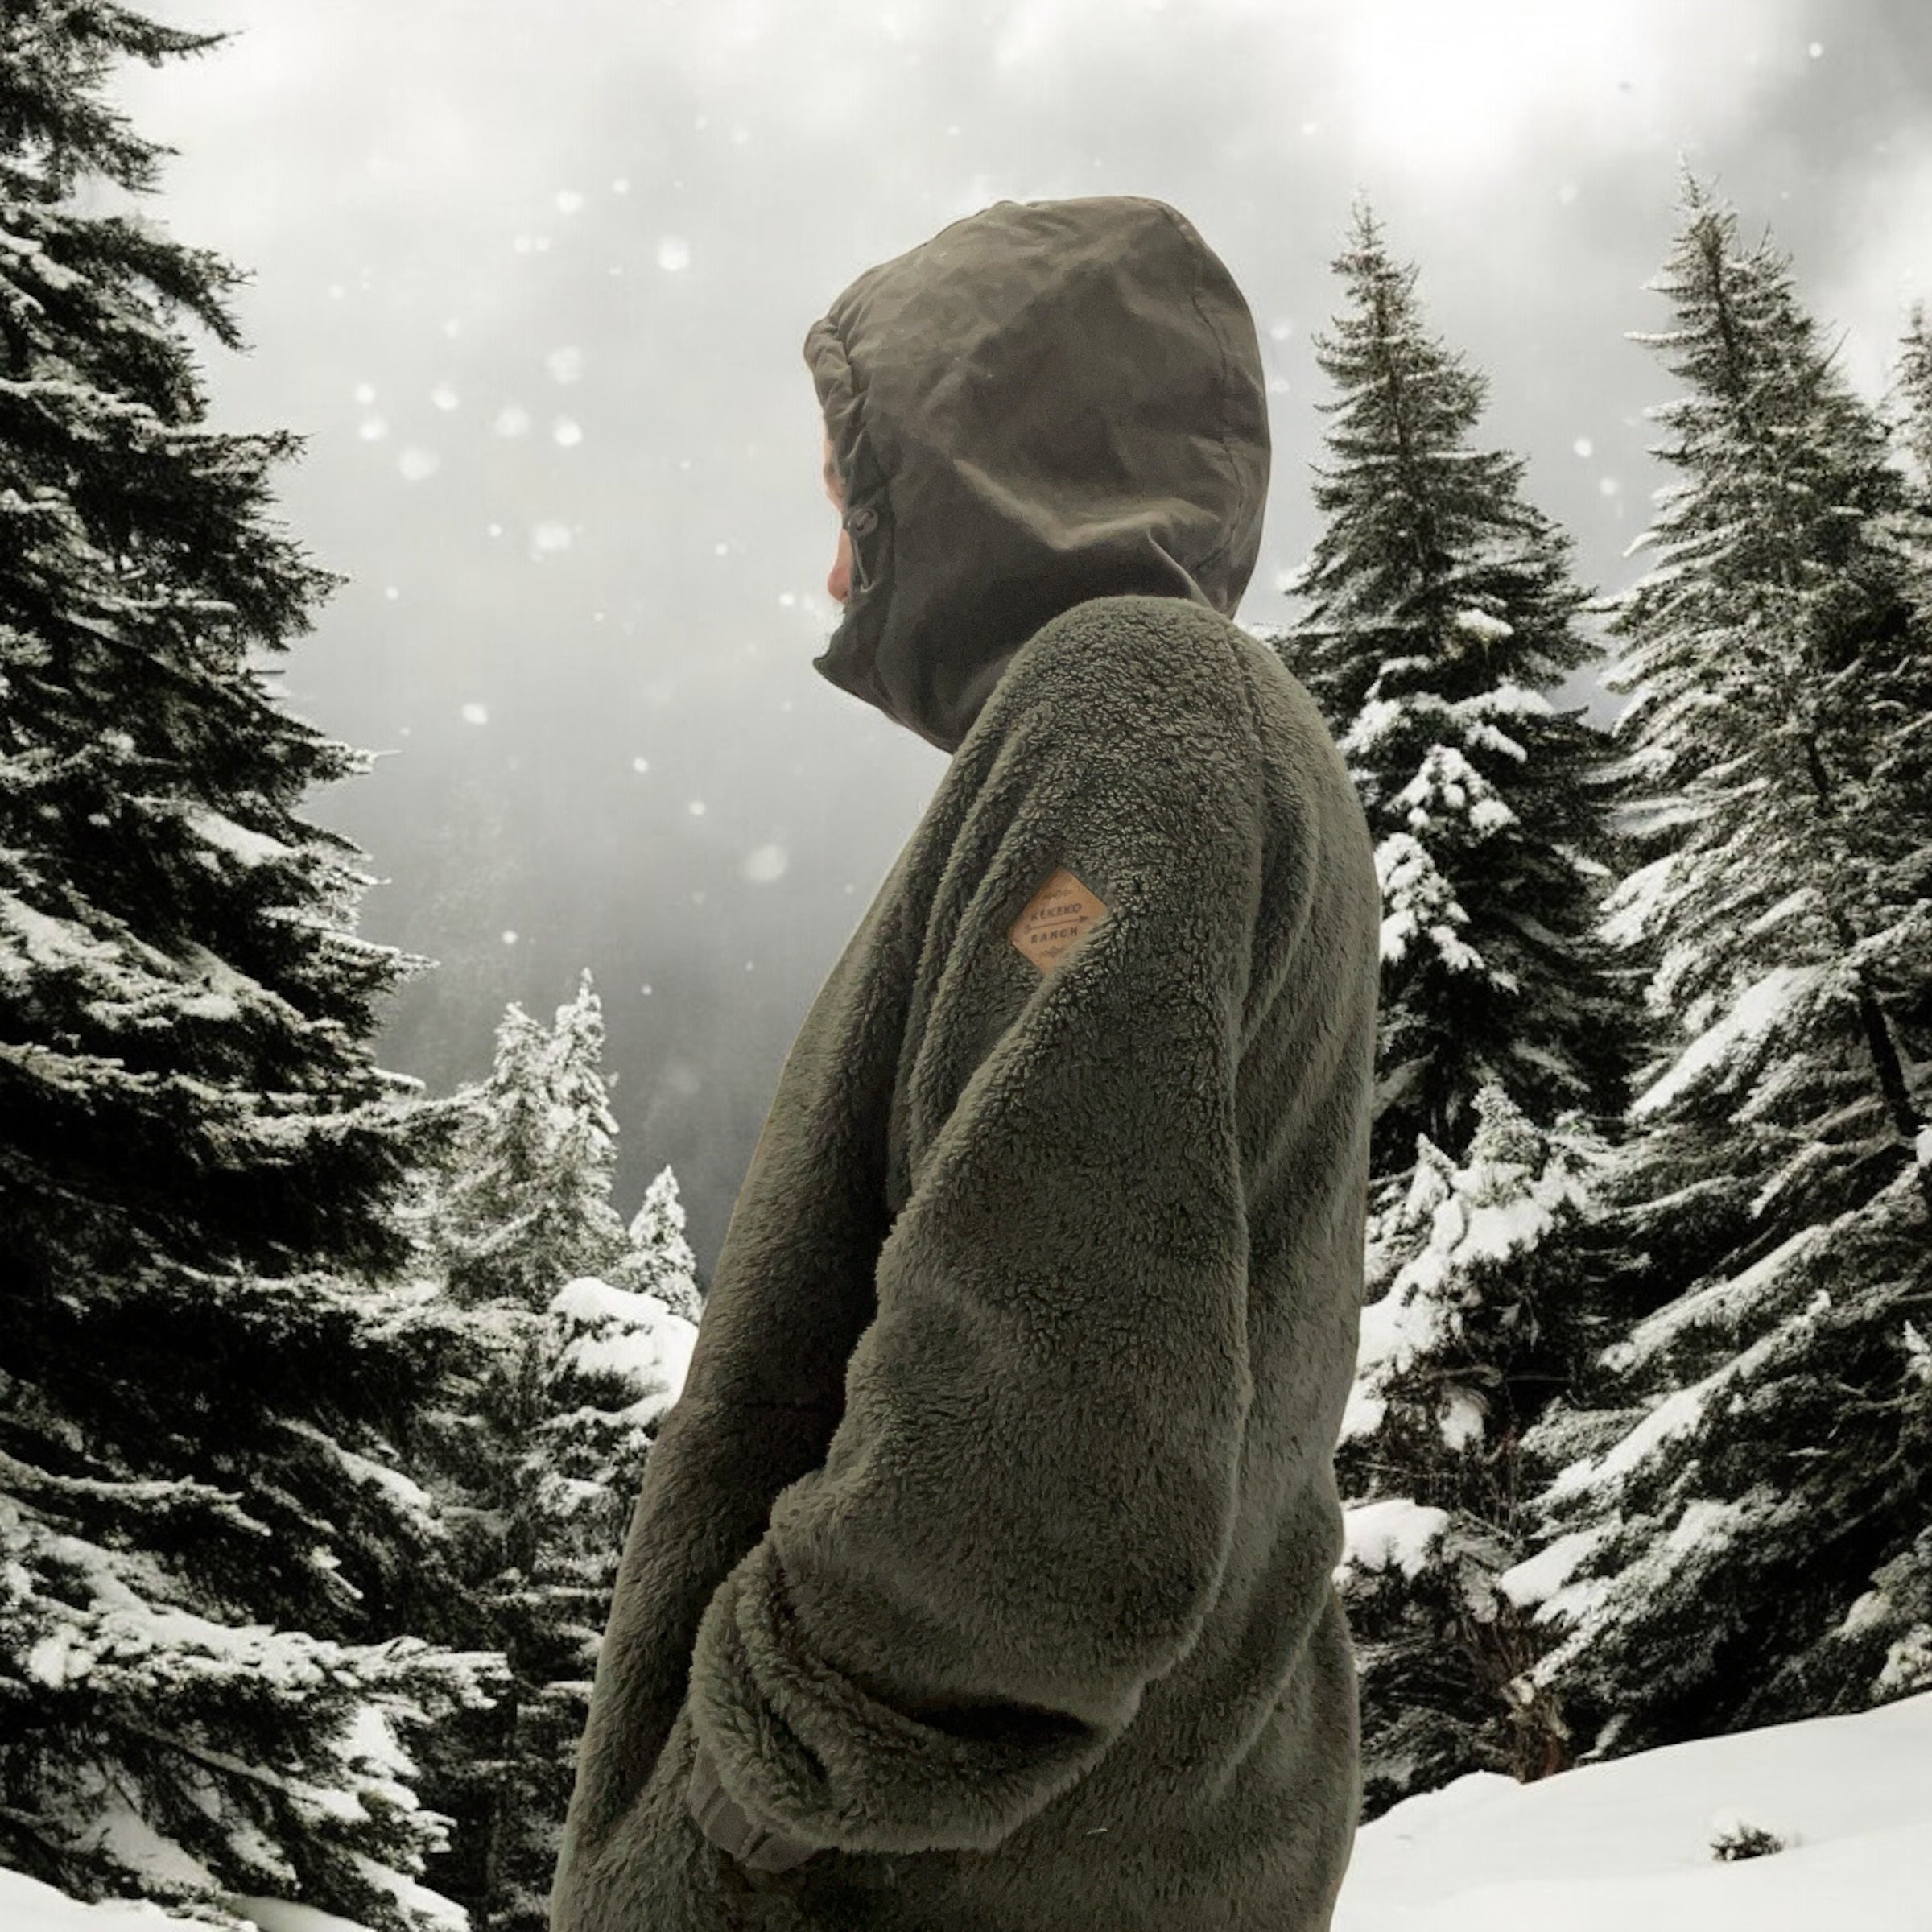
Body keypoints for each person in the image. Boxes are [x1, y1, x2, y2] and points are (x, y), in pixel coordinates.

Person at [547, 193, 1381, 1932]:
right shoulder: (1170, 731)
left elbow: (1047, 1396)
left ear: (981, 473)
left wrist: (749, 1800)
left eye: (856, 504)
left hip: (918, 1886)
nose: (835, 574)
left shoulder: (1131, 708)